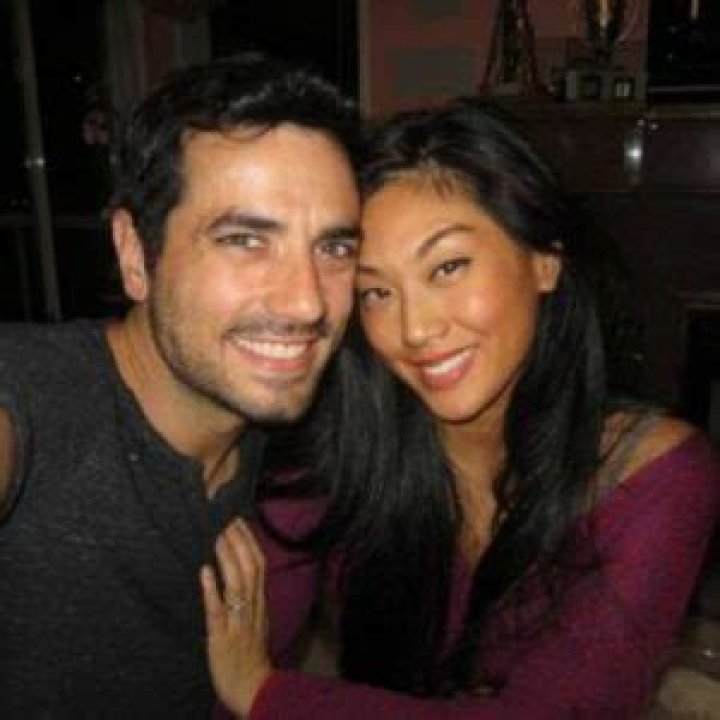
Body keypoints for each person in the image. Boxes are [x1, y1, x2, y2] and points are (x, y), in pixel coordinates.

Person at [201, 98, 720, 718]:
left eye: (448, 267)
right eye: (376, 292)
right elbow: (241, 637)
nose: (415, 329)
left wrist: (266, 693)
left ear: (544, 260)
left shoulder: (653, 477)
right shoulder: (344, 448)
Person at [0, 53, 362, 716]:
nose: (308, 302)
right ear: (136, 254)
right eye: (245, 240)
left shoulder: (310, 445)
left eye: (335, 247)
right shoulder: (28, 400)